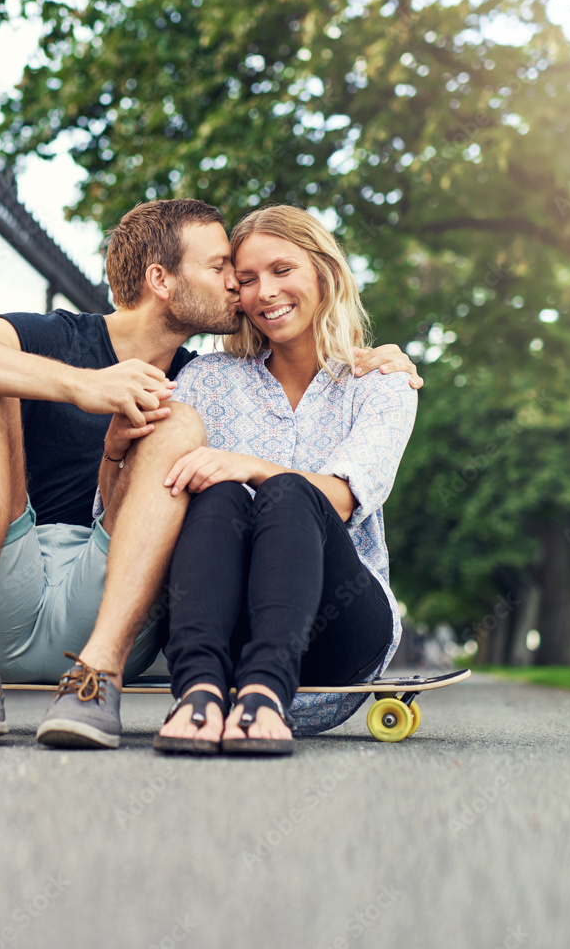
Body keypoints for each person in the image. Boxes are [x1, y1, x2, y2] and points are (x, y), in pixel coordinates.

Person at [0, 199, 421, 749]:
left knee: (208, 445)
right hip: (12, 575)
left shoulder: (212, 378)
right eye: (229, 272)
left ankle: (100, 676)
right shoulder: (101, 350)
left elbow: (334, 490)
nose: (246, 290)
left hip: (134, 599)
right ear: (161, 280)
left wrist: (370, 362)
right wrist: (86, 392)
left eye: (266, 272)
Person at [153, 205, 417, 755]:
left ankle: (265, 694)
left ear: (323, 272)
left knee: (289, 491)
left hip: (340, 630)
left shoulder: (380, 383)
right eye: (246, 280)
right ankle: (198, 693)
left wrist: (251, 466)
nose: (264, 291)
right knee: (219, 491)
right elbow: (152, 499)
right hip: (224, 631)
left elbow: (345, 498)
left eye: (282, 270)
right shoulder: (206, 379)